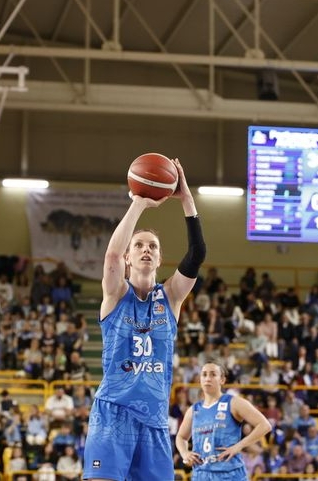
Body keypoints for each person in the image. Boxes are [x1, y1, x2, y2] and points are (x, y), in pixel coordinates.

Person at [83, 158, 205, 481]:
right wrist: (138, 202)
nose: (146, 250)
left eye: (153, 246)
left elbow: (197, 254)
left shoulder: (172, 296)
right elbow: (111, 255)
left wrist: (187, 199)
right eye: (138, 245)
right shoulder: (115, 294)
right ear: (128, 257)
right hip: (113, 414)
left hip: (154, 420)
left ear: (160, 258)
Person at [176, 361, 271, 480]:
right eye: (204, 374)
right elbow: (181, 437)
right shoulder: (194, 410)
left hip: (230, 474)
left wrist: (239, 446)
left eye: (213, 374)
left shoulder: (234, 402)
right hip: (202, 475)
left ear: (222, 380)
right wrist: (185, 453)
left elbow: (265, 425)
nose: (207, 378)